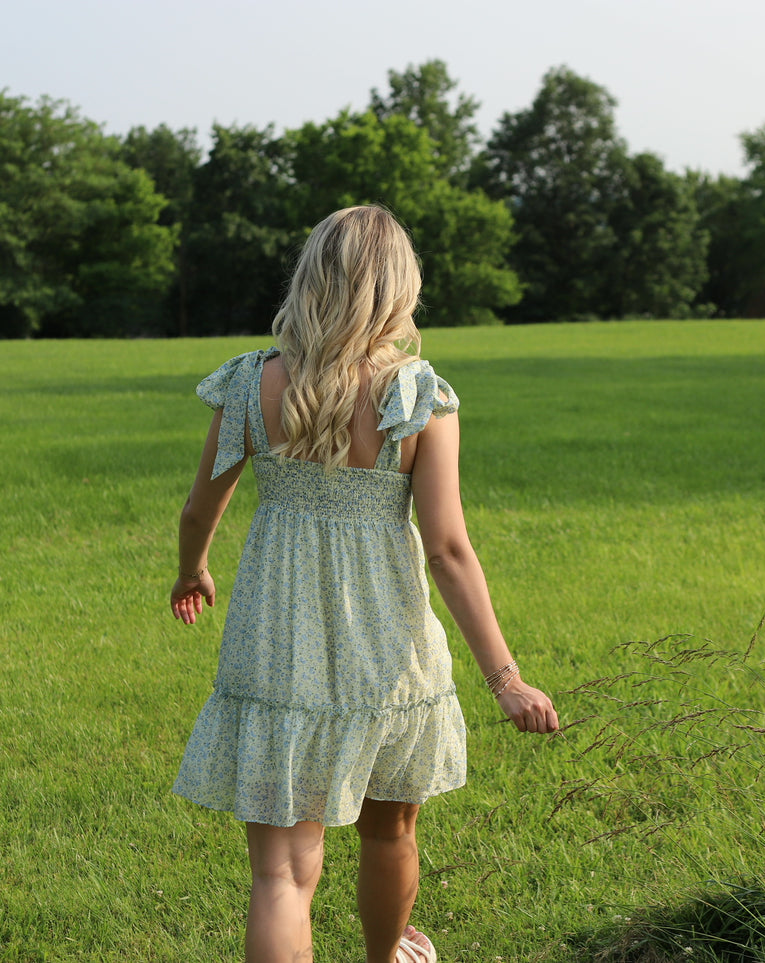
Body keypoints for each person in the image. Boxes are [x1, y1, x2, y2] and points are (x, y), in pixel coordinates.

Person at [168, 205, 560, 963]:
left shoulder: (253, 383)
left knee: (281, 873)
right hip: (389, 648)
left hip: (277, 643)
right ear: (398, 288)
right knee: (391, 830)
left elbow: (198, 508)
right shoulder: (415, 394)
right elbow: (448, 549)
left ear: (311, 277)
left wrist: (194, 572)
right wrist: (504, 677)